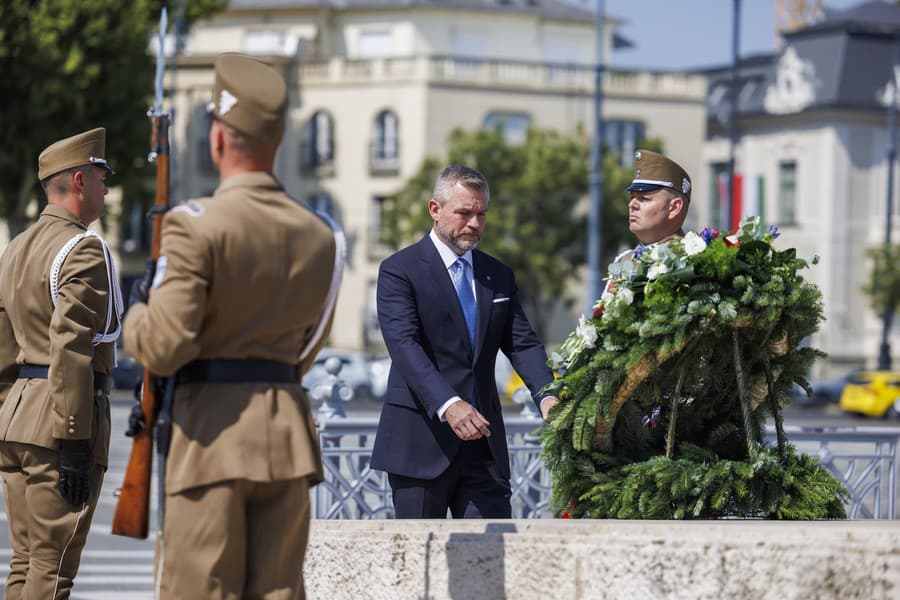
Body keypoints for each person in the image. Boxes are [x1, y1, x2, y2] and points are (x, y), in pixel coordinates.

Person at [123, 53, 339, 599]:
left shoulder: (195, 226)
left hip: (211, 439)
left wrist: (136, 314)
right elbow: (307, 346)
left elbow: (165, 345)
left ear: (219, 140)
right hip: (288, 436)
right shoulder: (319, 235)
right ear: (279, 141)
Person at [371, 164, 558, 519]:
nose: (475, 224)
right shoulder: (399, 270)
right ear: (434, 209)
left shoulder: (498, 275)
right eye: (465, 213)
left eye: (482, 214)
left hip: (483, 449)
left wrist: (546, 394)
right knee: (418, 565)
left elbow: (522, 343)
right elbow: (405, 347)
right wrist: (449, 404)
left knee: (489, 564)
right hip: (420, 444)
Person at [0, 127, 122, 599]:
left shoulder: (17, 249)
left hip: (17, 423)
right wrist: (74, 438)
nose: (106, 188)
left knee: (26, 562)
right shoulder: (82, 248)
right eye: (99, 177)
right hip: (58, 427)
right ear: (78, 181)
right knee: (52, 573)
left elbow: (5, 346)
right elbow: (71, 345)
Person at [625, 149, 692, 245]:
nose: (631, 205)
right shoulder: (625, 259)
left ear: (674, 208)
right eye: (632, 198)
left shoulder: (693, 259)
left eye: (644, 198)